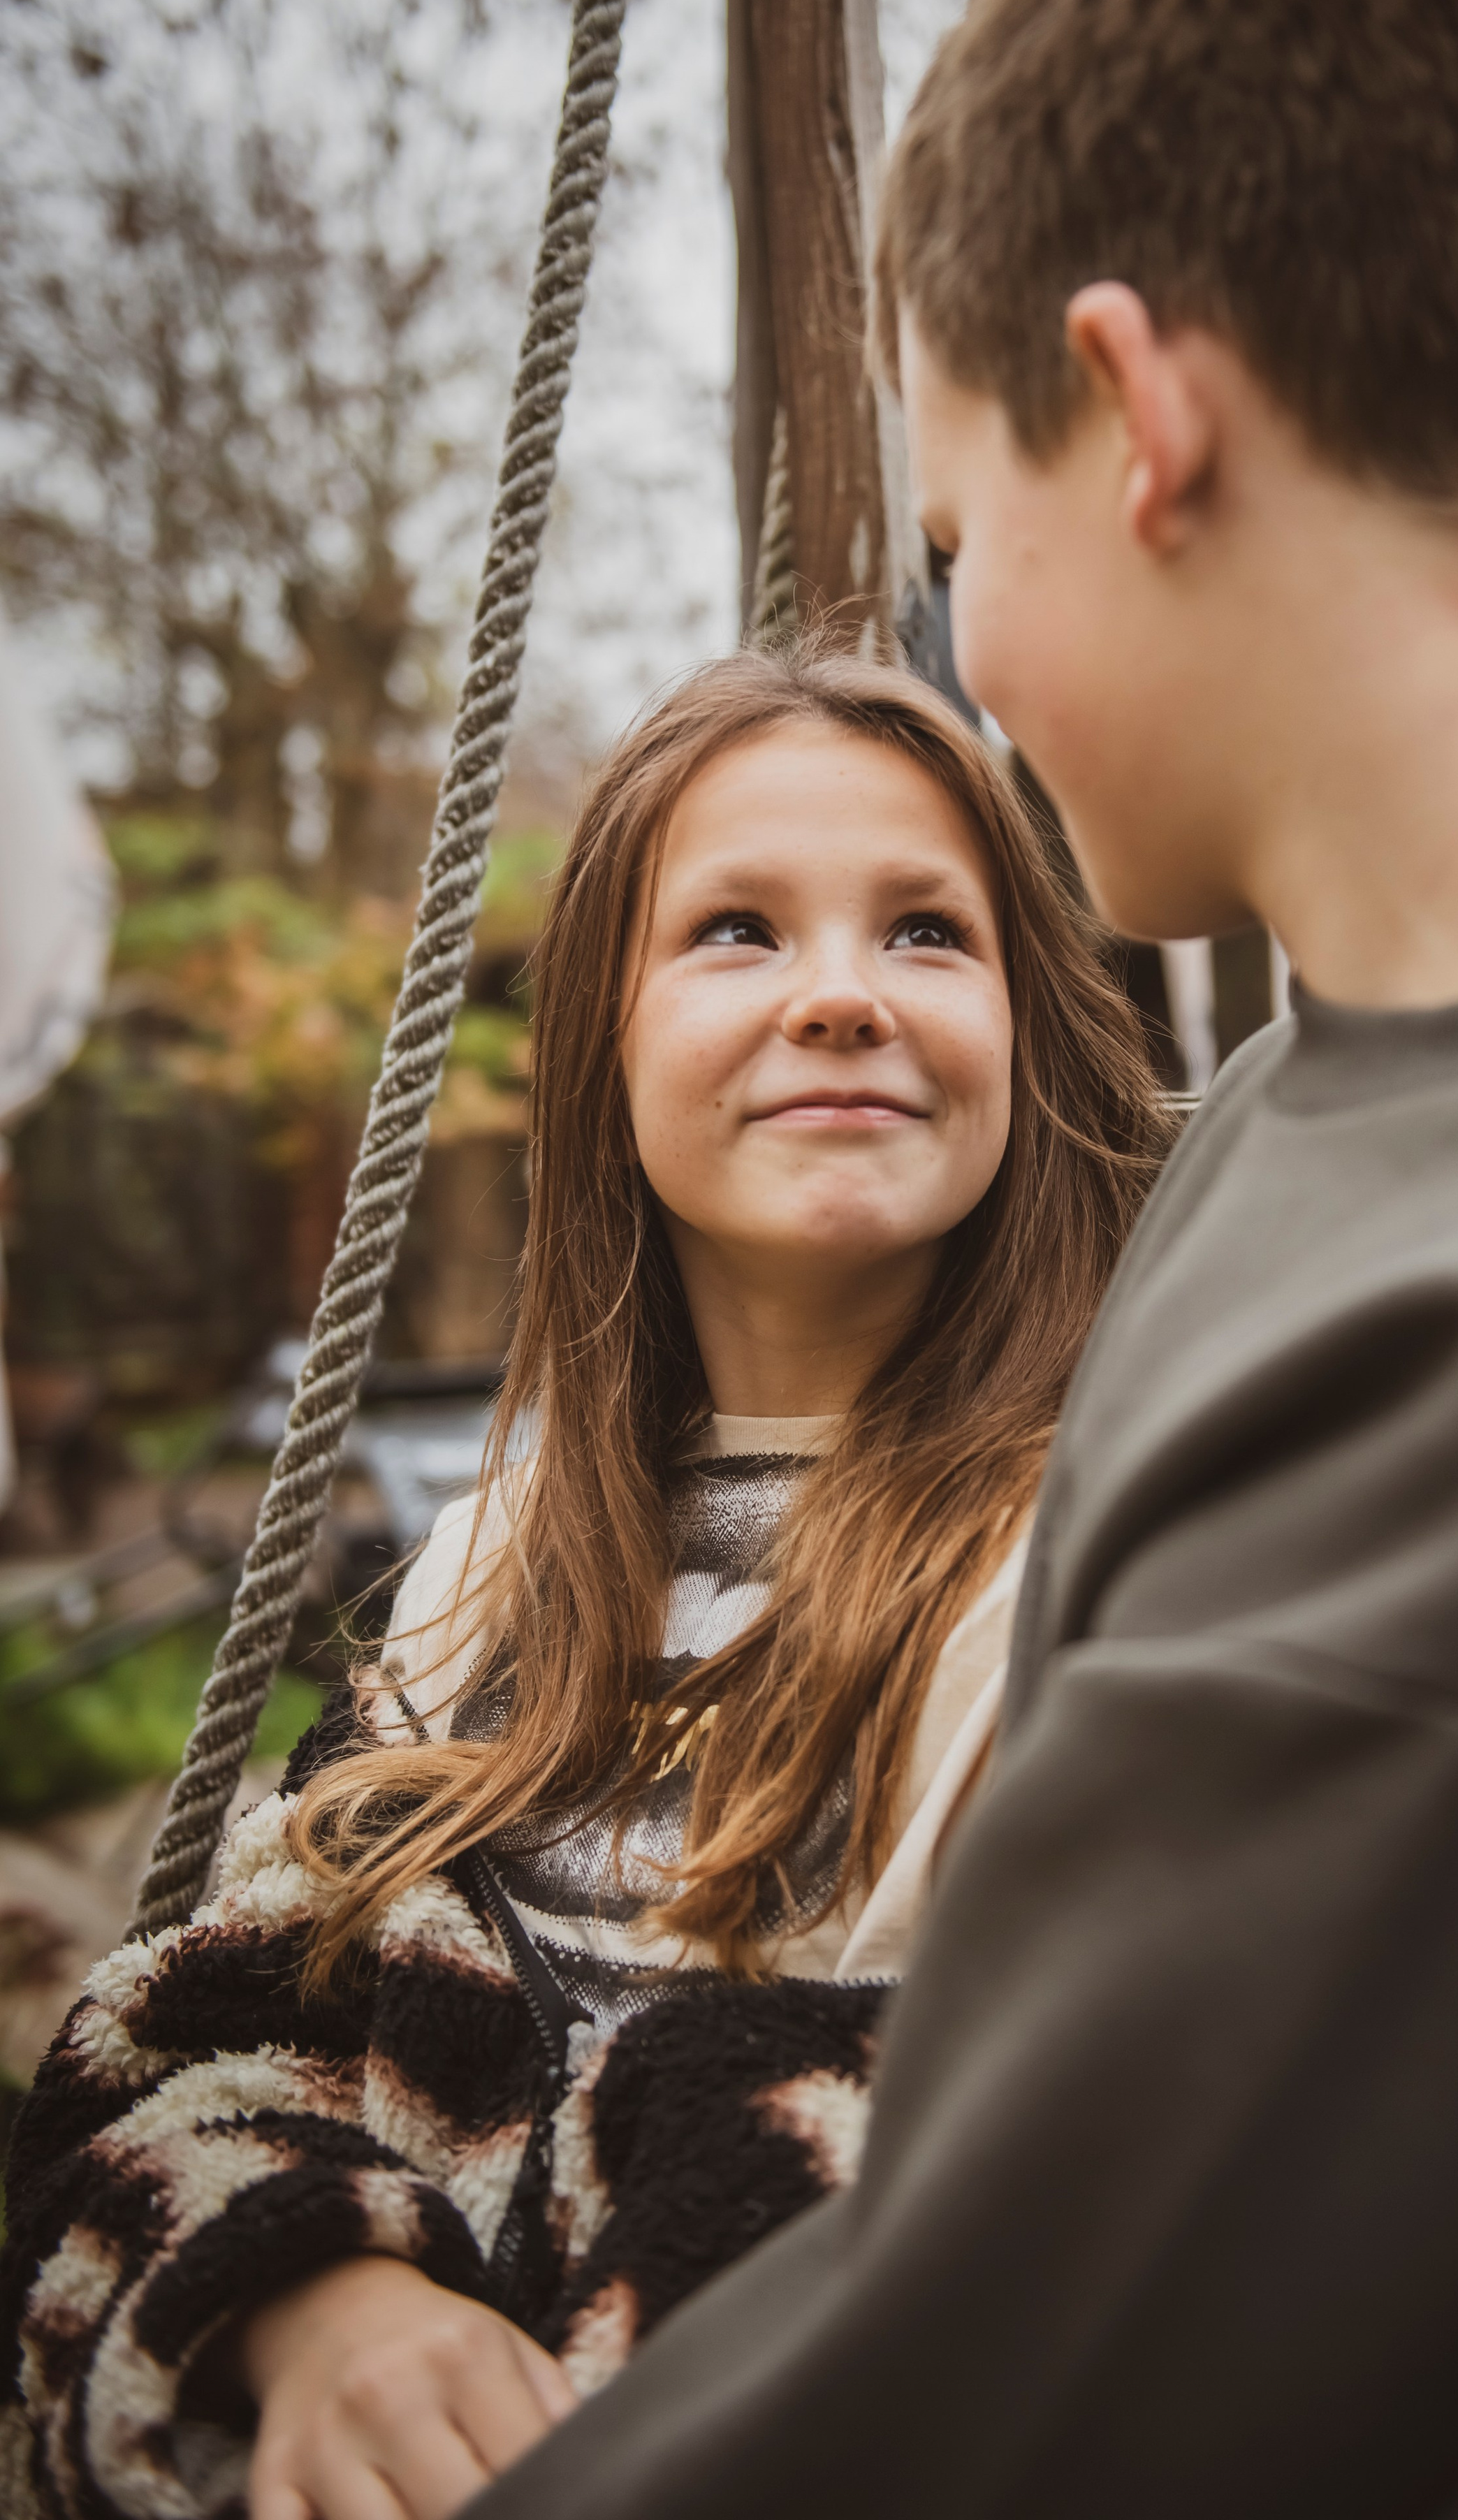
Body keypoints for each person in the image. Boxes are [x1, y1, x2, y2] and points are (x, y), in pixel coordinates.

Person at [439, 0, 1458, 2514]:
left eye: (957, 549)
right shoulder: (1305, 1121)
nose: (985, 658)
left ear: (1138, 413)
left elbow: (1004, 2395)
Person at [0, 644, 1168, 2520]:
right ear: (603, 1044)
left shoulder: (1140, 1557)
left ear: (1033, 1021)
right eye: (737, 929)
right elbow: (179, 2058)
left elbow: (1111, 2178)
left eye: (930, 933)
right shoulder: (478, 1584)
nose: (844, 996)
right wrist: (316, 2297)